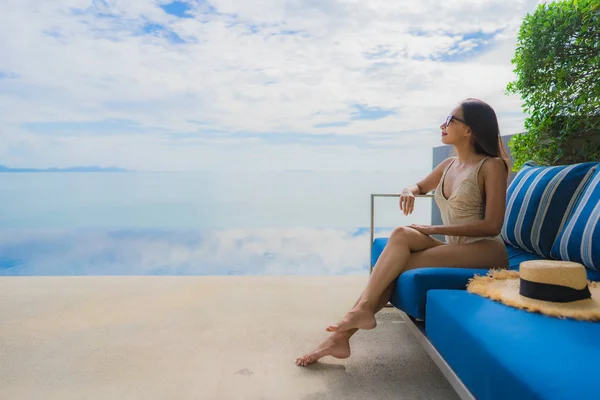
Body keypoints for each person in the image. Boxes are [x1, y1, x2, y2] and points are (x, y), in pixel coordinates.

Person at [295, 98, 511, 367]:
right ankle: (353, 321)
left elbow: (493, 225)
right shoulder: (448, 166)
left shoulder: (491, 166)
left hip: (485, 251)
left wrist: (433, 229)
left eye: (450, 120)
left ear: (468, 130)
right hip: (456, 247)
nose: (442, 125)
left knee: (395, 266)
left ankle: (342, 333)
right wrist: (409, 191)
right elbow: (418, 186)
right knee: (401, 233)